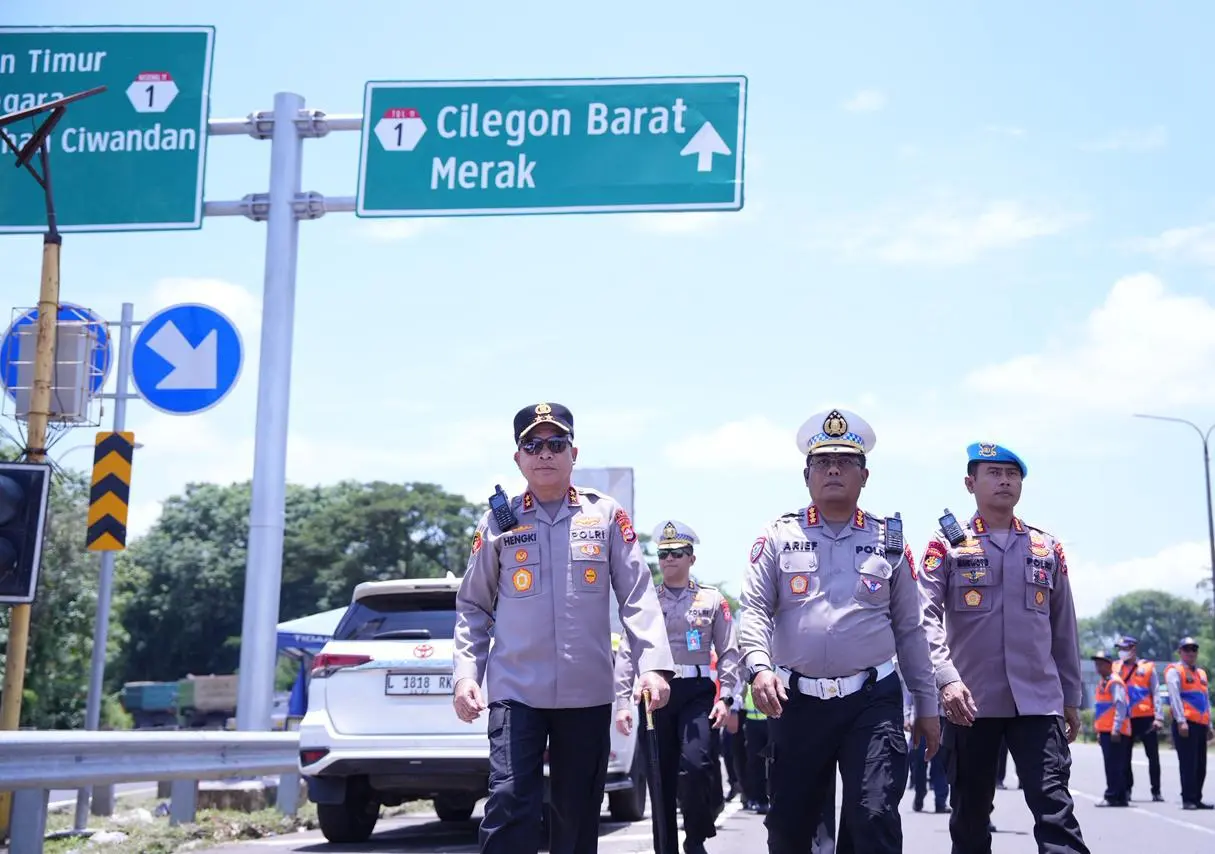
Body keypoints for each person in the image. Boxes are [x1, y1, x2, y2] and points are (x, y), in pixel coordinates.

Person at [453, 402, 675, 854]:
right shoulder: (499, 520)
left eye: (556, 444)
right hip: (516, 692)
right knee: (509, 802)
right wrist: (464, 675)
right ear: (518, 459)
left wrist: (654, 667)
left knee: (576, 816)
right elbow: (473, 606)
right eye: (532, 445)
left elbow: (637, 595)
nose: (545, 454)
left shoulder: (606, 515)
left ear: (573, 452)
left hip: (586, 692)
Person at [739, 407, 940, 854]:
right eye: (823, 462)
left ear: (864, 476)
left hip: (872, 700)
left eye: (846, 462)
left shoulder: (889, 540)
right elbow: (753, 609)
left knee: (873, 817)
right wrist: (758, 669)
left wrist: (927, 704)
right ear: (806, 475)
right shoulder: (776, 536)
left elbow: (910, 628)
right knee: (791, 830)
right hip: (797, 701)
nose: (833, 469)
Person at [919, 441, 1089, 854]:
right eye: (993, 473)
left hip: (1038, 701)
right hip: (969, 702)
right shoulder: (945, 545)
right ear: (970, 483)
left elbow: (1063, 628)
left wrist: (1070, 696)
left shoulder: (1046, 547)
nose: (1005, 481)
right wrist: (945, 680)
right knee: (971, 816)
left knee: (1055, 809)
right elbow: (923, 620)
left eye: (1013, 474)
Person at [614, 519, 740, 854]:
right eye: (664, 553)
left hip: (696, 692)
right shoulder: (645, 603)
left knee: (697, 765)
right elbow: (628, 652)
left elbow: (729, 651)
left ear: (692, 559)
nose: (670, 559)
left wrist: (726, 697)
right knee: (660, 775)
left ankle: (696, 836)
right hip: (654, 696)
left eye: (679, 552)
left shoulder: (712, 600)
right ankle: (665, 847)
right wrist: (623, 703)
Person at [1114, 634, 1166, 802]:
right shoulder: (1115, 667)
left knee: (1153, 756)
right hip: (1126, 718)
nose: (1121, 652)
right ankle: (1127, 789)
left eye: (1125, 649)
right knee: (1124, 756)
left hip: (1146, 718)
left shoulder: (1148, 667)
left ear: (1133, 649)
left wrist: (1159, 716)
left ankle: (1156, 791)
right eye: (1120, 649)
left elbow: (1156, 692)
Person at [1164, 636, 1212, 810]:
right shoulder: (1175, 671)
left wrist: (1209, 725)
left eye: (1194, 649)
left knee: (1200, 764)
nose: (1191, 653)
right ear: (1180, 652)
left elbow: (1206, 700)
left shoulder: (1201, 673)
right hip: (1185, 725)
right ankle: (1188, 799)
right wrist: (1181, 720)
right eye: (1187, 649)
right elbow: (1174, 697)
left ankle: (1197, 798)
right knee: (1188, 764)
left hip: (1200, 724)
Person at [1090, 650, 1130, 807]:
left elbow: (1121, 706)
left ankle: (1113, 796)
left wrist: (1116, 727)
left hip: (1115, 731)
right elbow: (1102, 710)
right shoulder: (1103, 682)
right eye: (1096, 663)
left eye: (1101, 663)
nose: (1097, 666)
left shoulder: (1114, 682)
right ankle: (1120, 796)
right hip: (1106, 730)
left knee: (1114, 765)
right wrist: (1100, 731)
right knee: (1114, 764)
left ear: (1109, 664)